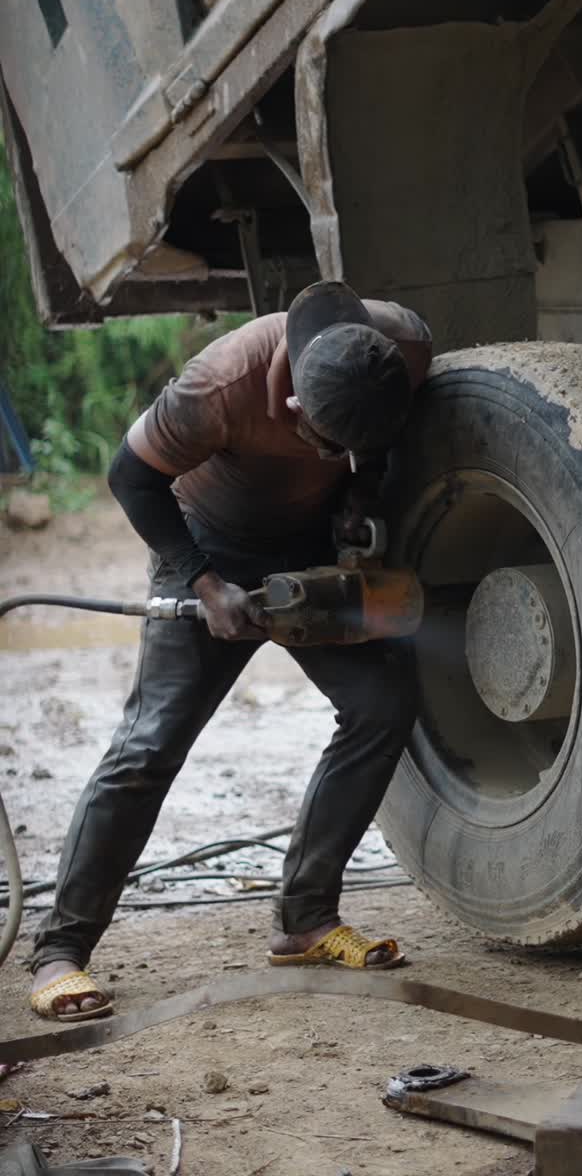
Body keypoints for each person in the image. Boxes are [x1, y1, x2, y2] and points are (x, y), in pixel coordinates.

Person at [30, 281, 432, 1022]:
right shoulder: (221, 385)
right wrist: (205, 584)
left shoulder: (400, 347)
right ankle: (61, 950)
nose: (336, 455)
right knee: (151, 745)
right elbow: (131, 478)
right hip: (209, 545)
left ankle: (305, 919)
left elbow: (386, 453)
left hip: (311, 548)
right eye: (327, 443)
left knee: (383, 701)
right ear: (291, 407)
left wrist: (357, 498)